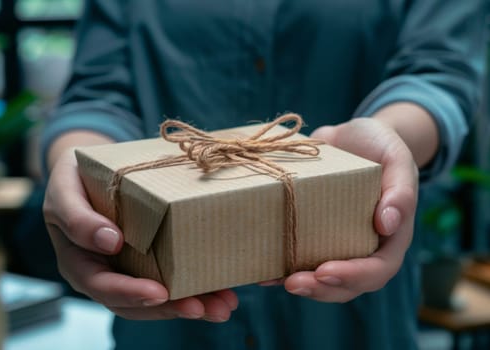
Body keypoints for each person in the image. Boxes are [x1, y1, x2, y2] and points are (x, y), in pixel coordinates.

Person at [41, 1, 487, 349]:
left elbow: (438, 72)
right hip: (163, 305)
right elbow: (97, 93)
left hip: (350, 314)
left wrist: (389, 139)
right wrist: (83, 173)